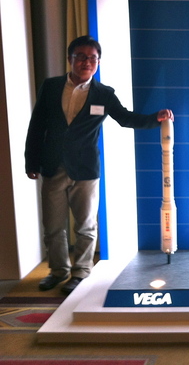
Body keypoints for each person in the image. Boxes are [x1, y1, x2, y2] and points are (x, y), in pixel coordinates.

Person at [25, 35, 174, 295]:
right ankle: (58, 271)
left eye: (92, 58)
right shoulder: (51, 87)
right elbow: (37, 125)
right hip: (53, 166)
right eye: (81, 57)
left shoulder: (104, 94)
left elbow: (126, 119)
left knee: (85, 226)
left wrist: (155, 118)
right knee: (53, 226)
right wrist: (31, 160)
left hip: (85, 169)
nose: (87, 62)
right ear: (70, 59)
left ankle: (80, 272)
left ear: (98, 62)